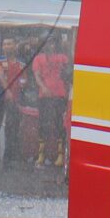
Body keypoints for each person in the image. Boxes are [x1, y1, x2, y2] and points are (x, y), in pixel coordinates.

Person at [30, 38, 72, 168]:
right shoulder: (38, 58)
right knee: (43, 123)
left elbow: (69, 69)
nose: (51, 45)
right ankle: (42, 154)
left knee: (59, 123)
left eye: (53, 43)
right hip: (44, 96)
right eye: (48, 43)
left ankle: (60, 155)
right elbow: (37, 76)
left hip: (59, 95)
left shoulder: (62, 57)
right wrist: (43, 87)